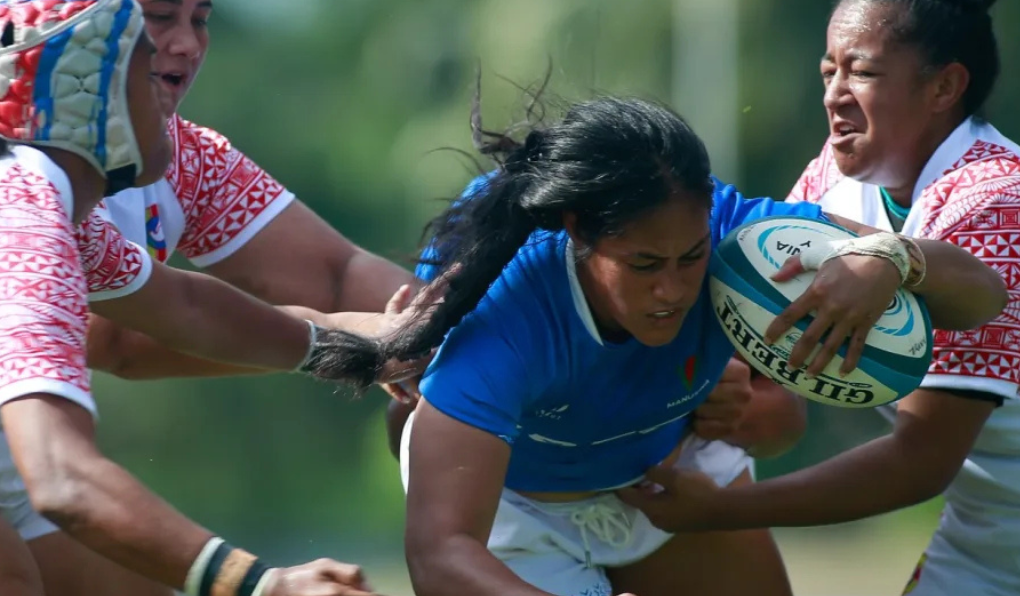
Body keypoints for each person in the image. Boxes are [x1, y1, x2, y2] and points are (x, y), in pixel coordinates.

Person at [352, 95, 1007, 596]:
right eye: (643, 265)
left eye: (689, 257)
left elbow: (984, 297)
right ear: (579, 232)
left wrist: (895, 258)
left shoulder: (745, 240)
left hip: (662, 481)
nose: (672, 289)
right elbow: (440, 552)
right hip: (518, 508)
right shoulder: (508, 312)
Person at [0, 0, 413, 596]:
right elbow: (65, 476)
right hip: (23, 454)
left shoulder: (52, 181)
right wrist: (263, 586)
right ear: (90, 96)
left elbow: (182, 304)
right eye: (150, 45)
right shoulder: (11, 223)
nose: (183, 57)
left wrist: (369, 344)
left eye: (199, 20)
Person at [616, 0, 1020, 595]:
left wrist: (722, 510)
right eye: (828, 70)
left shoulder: (997, 204)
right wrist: (715, 396)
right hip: (987, 537)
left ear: (945, 85)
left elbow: (921, 460)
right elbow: (776, 401)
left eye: (862, 71)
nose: (834, 93)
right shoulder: (831, 185)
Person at [0, 0, 420, 381]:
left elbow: (334, 277)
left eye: (200, 19)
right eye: (160, 16)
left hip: (3, 439)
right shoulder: (10, 175)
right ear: (77, 21)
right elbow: (118, 338)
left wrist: (448, 327)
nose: (188, 44)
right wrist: (364, 343)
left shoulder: (179, 150)